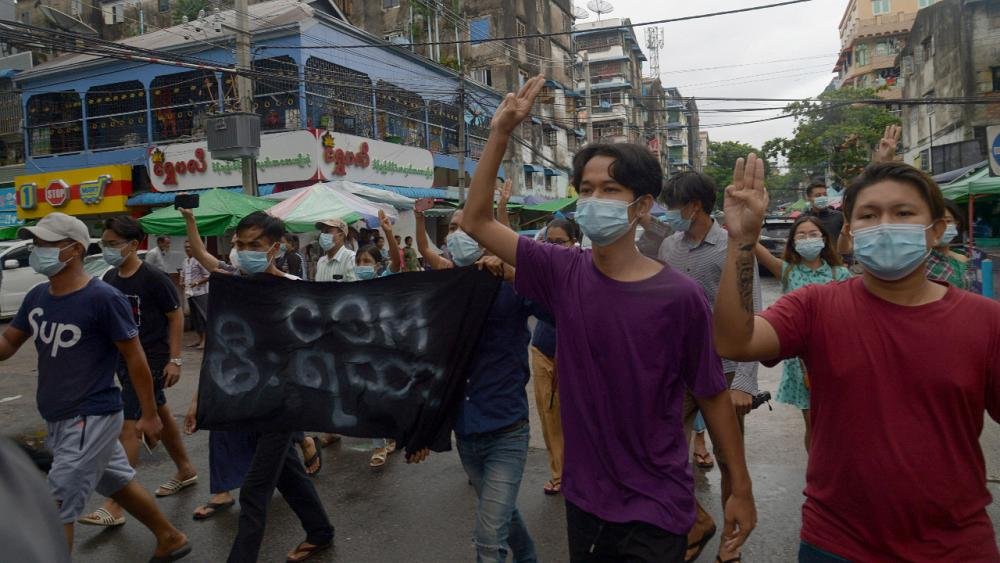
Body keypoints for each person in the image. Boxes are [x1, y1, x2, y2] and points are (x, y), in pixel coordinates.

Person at [459, 76, 755, 561]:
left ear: (642, 206)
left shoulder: (680, 297)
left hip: (657, 503)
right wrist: (500, 133)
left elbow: (711, 394)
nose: (594, 199)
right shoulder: (562, 270)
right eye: (587, 189)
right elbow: (475, 220)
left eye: (610, 189)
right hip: (585, 500)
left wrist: (740, 487)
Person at [714, 155, 1000, 561]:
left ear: (936, 230)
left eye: (903, 213)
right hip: (836, 542)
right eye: (869, 215)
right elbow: (734, 342)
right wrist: (741, 242)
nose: (885, 225)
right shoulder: (814, 306)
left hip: (956, 546)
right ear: (849, 231)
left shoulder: (986, 321)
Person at [0, 213, 191, 560]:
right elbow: (9, 342)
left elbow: (135, 358)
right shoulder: (37, 296)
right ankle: (170, 537)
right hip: (58, 416)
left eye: (46, 244)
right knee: (117, 481)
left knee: (56, 504)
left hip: (90, 416)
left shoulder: (103, 297)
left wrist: (149, 414)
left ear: (74, 250)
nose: (37, 251)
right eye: (36, 244)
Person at [182, 209, 334, 562]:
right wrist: (199, 399)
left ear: (275, 248)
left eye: (255, 245)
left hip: (285, 403)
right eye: (240, 244)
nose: (245, 251)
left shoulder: (295, 290)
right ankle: (320, 531)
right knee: (287, 474)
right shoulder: (234, 284)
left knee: (254, 489)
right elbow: (222, 349)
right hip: (248, 399)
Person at [638, 170, 761, 563]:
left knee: (729, 461)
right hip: (678, 369)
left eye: (672, 205)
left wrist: (744, 381)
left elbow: (751, 311)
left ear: (694, 206)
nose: (668, 213)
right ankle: (694, 523)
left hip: (724, 368)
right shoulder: (669, 246)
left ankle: (730, 544)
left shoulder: (731, 245)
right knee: (660, 452)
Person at [408, 207, 543, 563]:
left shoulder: (510, 285)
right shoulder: (445, 289)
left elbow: (560, 312)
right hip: (466, 434)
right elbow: (429, 364)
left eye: (466, 227)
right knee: (501, 515)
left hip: (507, 431)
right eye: (453, 227)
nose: (457, 234)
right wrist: (421, 429)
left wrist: (517, 276)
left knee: (488, 536)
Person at [78, 216, 198, 527]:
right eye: (104, 243)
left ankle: (116, 504)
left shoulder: (153, 278)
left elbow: (175, 317)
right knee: (158, 410)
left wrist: (175, 359)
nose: (108, 249)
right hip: (124, 358)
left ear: (133, 245)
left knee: (129, 425)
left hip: (151, 358)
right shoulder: (110, 277)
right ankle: (185, 469)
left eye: (113, 244)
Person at [752, 216, 851, 452]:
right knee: (813, 423)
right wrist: (749, 223)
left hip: (836, 358)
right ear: (793, 242)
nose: (808, 239)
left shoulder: (840, 274)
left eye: (813, 234)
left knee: (839, 421)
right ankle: (816, 467)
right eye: (802, 235)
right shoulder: (787, 271)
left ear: (824, 239)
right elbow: (756, 247)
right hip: (801, 365)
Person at [531, 217, 578, 496]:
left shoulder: (585, 268)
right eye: (549, 242)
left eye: (560, 242)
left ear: (575, 243)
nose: (553, 248)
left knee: (575, 414)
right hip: (544, 348)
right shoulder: (541, 269)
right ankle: (559, 472)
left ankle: (581, 469)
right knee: (548, 414)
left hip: (575, 353)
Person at [925, 198, 969, 289]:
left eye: (948, 221)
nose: (940, 228)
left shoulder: (962, 259)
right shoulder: (917, 263)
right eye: (933, 222)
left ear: (957, 224)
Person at [802, 181, 849, 254]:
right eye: (818, 195)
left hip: (837, 259)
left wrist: (845, 259)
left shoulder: (839, 216)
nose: (822, 197)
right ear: (808, 198)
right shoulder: (803, 219)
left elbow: (848, 240)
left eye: (825, 194)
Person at [182, 241, 210, 349]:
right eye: (186, 247)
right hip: (190, 293)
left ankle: (205, 340)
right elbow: (183, 274)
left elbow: (208, 276)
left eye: (189, 247)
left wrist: (197, 282)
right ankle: (199, 339)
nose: (187, 249)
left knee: (202, 316)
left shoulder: (200, 260)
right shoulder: (185, 261)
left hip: (201, 292)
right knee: (194, 317)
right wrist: (181, 281)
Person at [315, 218, 357, 282]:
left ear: (341, 235)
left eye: (327, 231)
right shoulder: (321, 262)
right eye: (322, 232)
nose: (322, 235)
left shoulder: (351, 258)